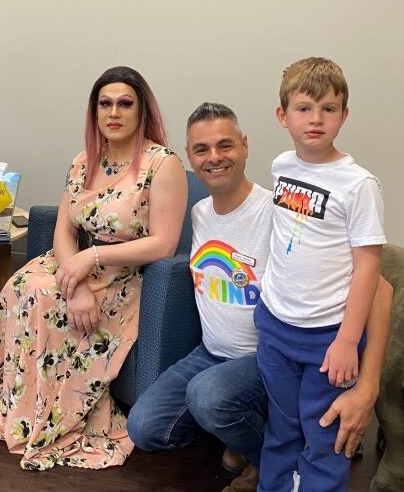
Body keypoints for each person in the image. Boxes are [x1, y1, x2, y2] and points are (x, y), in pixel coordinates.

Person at [126, 102, 393, 492]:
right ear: (189, 156)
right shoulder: (199, 213)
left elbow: (379, 288)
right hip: (211, 353)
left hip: (270, 354)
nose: (214, 158)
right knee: (144, 428)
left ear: (245, 146)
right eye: (201, 150)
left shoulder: (280, 210)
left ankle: (270, 455)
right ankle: (250, 435)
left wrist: (367, 387)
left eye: (225, 145)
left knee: (209, 396)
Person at [0, 66, 188, 470]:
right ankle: (16, 410)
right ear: (94, 112)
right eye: (104, 103)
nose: (114, 112)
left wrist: (91, 259)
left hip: (123, 275)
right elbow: (64, 229)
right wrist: (74, 280)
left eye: (125, 103)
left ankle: (52, 417)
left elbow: (163, 244)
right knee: (19, 288)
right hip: (74, 266)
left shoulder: (162, 164)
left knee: (44, 298)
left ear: (141, 110)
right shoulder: (83, 161)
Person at [256, 58, 386, 492]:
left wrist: (348, 340)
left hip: (327, 337)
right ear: (283, 116)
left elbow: (369, 266)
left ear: (344, 116)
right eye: (304, 108)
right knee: (281, 429)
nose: (316, 119)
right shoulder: (280, 167)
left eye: (329, 109)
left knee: (324, 436)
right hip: (276, 327)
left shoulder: (358, 184)